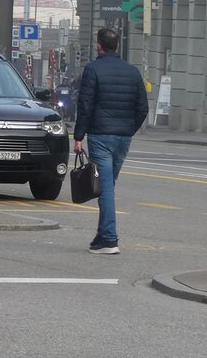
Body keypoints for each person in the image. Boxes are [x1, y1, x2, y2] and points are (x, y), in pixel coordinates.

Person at [73, 27, 148, 255]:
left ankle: (108, 239)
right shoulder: (133, 72)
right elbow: (143, 108)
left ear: (99, 46)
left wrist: (78, 136)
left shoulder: (93, 70)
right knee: (107, 186)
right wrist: (129, 129)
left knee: (105, 189)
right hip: (123, 138)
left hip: (101, 136)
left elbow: (85, 105)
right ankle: (100, 236)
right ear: (118, 46)